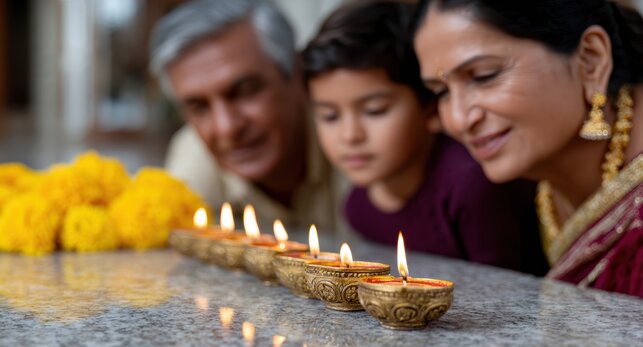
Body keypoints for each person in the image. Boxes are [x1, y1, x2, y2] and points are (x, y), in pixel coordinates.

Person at [413, 0, 643, 296]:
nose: (458, 120)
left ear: (591, 60)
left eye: (485, 75)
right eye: (441, 92)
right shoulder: (537, 178)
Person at [302, 0, 548, 275]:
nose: (350, 136)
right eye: (329, 116)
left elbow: (509, 300)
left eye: (375, 110)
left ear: (431, 107)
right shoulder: (357, 207)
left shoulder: (471, 187)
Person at [149, 0, 346, 231]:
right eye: (198, 107)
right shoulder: (194, 158)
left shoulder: (357, 139)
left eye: (245, 92)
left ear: (297, 75)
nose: (227, 127)